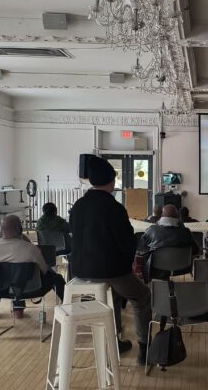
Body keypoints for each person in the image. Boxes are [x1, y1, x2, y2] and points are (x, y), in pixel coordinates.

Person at [69, 156, 152, 364]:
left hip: (79, 270)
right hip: (109, 269)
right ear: (111, 182)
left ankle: (115, 341)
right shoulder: (114, 207)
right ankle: (145, 348)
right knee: (142, 297)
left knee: (114, 297)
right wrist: (127, 264)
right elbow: (126, 242)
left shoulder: (78, 206)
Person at [0, 215, 66, 331]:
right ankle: (68, 309)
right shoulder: (30, 249)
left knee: (6, 282)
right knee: (57, 278)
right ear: (18, 229)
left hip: (3, 291)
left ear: (1, 229)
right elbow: (44, 270)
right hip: (33, 289)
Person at [133, 204, 200, 282]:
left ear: (161, 216)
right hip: (182, 269)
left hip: (156, 268)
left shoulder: (152, 230)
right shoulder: (186, 232)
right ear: (177, 216)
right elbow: (196, 250)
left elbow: (142, 247)